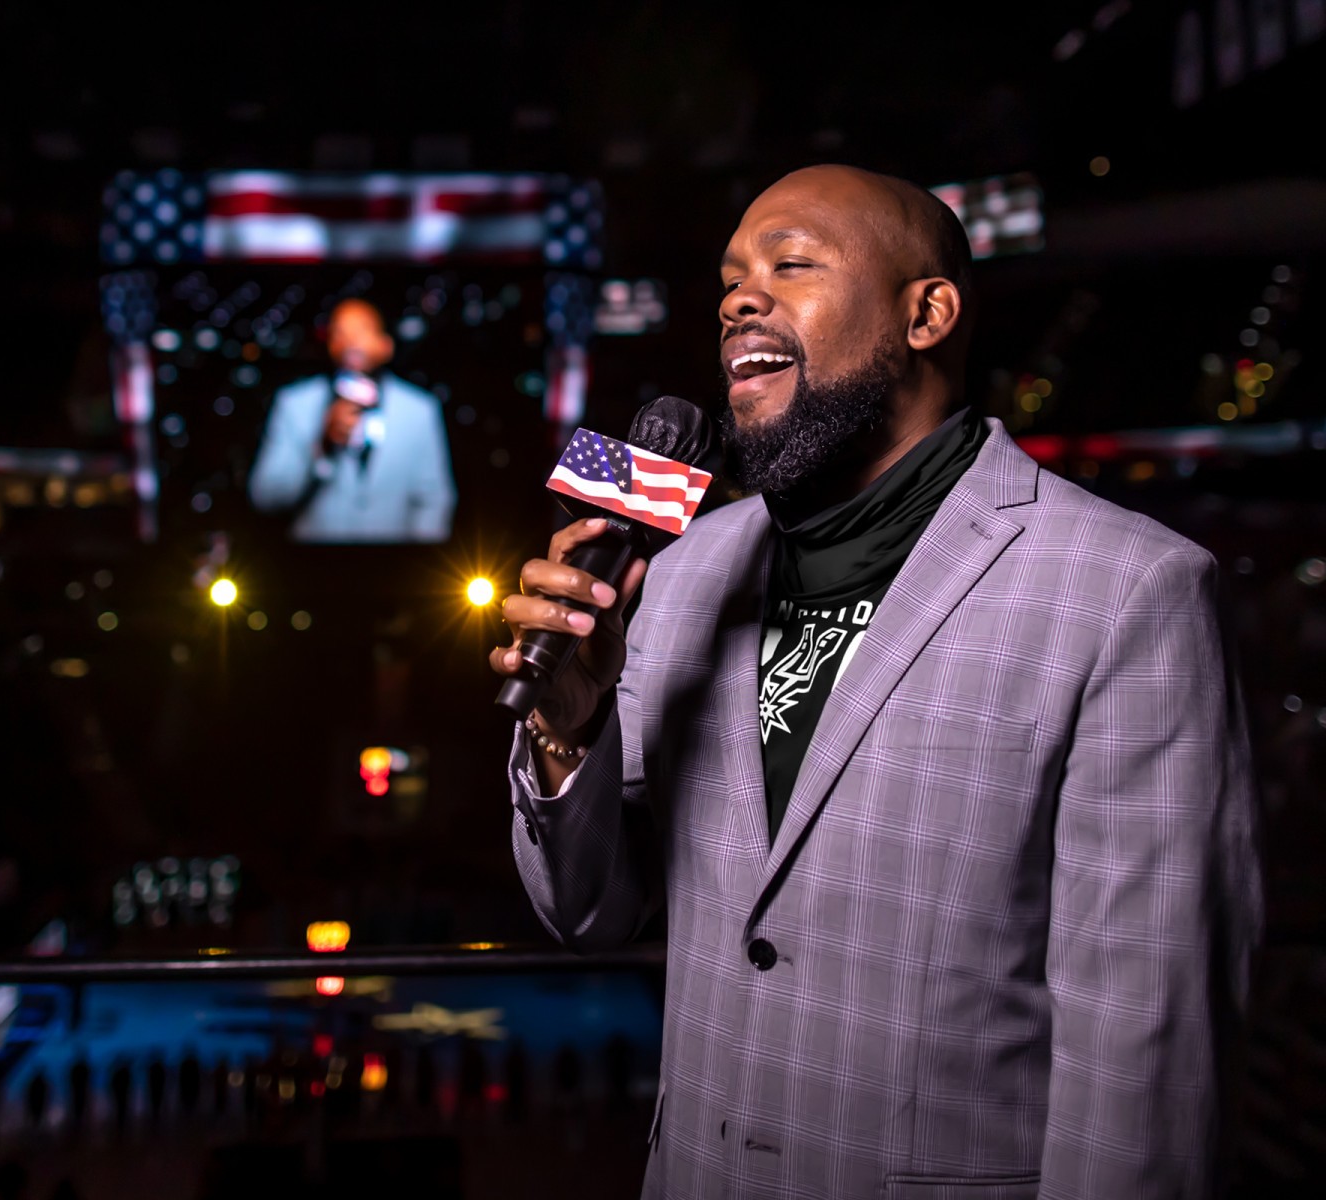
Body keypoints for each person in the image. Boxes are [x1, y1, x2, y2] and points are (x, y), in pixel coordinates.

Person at [489, 164, 1262, 1199]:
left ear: (926, 314)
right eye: (730, 279)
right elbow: (587, 913)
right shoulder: (678, 573)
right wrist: (569, 731)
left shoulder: (1130, 590)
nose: (739, 300)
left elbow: (1145, 1065)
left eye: (792, 265)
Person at [247, 298, 456, 542]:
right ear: (330, 345)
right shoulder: (296, 404)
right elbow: (266, 497)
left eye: (362, 330)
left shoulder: (419, 409)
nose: (351, 341)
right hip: (316, 559)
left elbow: (434, 497)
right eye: (340, 333)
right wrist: (321, 446)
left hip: (395, 559)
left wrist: (416, 557)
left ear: (386, 345)